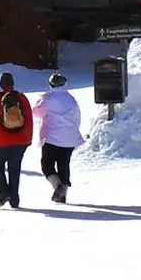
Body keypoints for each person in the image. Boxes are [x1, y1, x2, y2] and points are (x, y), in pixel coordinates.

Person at [0, 71, 34, 208]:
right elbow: (29, 119)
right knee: (14, 169)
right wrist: (28, 139)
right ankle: (14, 200)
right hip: (20, 141)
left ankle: (4, 193)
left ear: (0, 84)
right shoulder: (21, 98)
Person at [35, 72, 85, 204]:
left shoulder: (48, 99)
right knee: (64, 164)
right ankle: (63, 194)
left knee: (47, 164)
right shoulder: (71, 99)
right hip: (70, 138)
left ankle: (58, 187)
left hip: (52, 138)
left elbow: (36, 112)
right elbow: (77, 118)